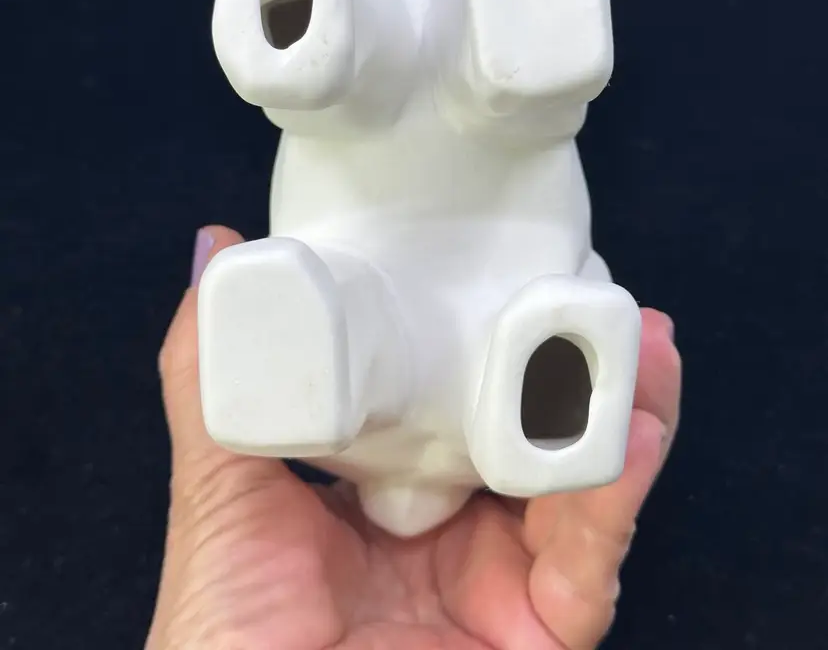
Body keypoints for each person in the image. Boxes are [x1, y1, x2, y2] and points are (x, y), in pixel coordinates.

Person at [146, 226, 681, 650]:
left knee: (353, 311)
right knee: (357, 312)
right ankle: (519, 387)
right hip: (446, 388)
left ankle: (509, 384)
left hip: (385, 402)